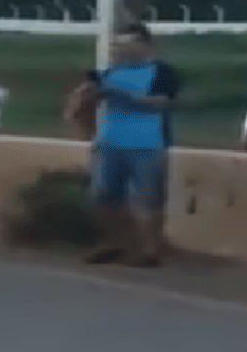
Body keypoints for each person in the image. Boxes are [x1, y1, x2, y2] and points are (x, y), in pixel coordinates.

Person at [75, 23, 181, 268]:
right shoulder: (110, 72)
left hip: (147, 144)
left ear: (143, 45)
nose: (120, 50)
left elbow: (163, 103)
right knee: (105, 197)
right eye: (118, 45)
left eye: (126, 45)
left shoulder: (161, 72)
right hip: (109, 143)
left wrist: (123, 94)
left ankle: (150, 250)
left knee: (148, 198)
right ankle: (114, 244)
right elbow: (86, 100)